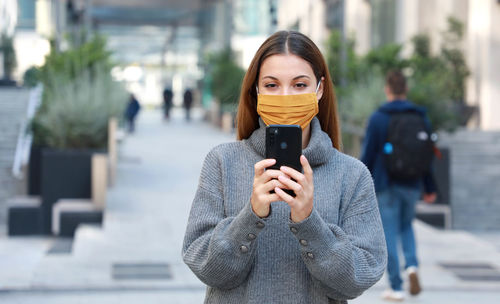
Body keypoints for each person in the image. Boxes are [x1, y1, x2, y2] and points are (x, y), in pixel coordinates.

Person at [182, 31, 387, 304]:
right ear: (256, 90)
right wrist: (251, 215)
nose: (286, 96)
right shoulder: (222, 162)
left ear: (320, 89)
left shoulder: (352, 175)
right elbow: (206, 267)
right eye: (272, 85)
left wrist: (308, 221)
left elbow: (359, 278)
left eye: (300, 85)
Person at [360, 70, 437, 301]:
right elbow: (427, 155)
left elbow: (369, 154)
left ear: (387, 90)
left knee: (389, 233)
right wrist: (430, 187)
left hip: (386, 184)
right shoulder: (421, 117)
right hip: (412, 184)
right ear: (406, 89)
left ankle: (396, 286)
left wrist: (361, 185)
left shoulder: (378, 118)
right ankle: (412, 265)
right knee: (407, 226)